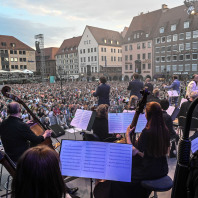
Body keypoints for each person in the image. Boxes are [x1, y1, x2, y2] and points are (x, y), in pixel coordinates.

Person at [94, 102, 170, 198]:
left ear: (148, 114)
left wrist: (127, 136)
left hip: (150, 171)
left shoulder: (147, 132)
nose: (145, 114)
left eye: (146, 112)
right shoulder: (165, 129)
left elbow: (132, 152)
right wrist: (143, 154)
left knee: (119, 179)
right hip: (163, 169)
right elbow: (161, 151)